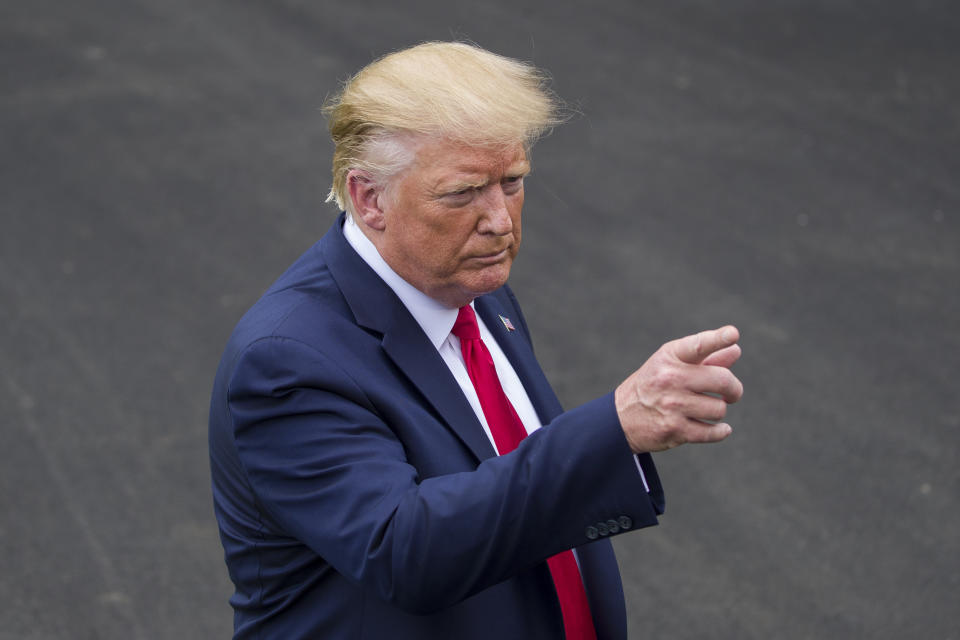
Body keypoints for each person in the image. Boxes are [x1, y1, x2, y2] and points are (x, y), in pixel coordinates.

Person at [208, 41, 743, 640]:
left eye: (512, 181)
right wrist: (614, 428)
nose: (500, 220)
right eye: (462, 193)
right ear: (369, 198)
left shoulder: (471, 289)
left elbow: (508, 497)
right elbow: (404, 551)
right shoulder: (285, 359)